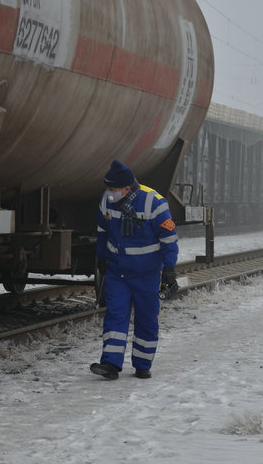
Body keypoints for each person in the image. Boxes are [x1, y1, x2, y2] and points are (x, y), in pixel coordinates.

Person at [90, 159, 179, 380]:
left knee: (146, 319)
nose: (109, 193)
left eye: (113, 189)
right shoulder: (106, 201)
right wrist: (101, 261)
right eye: (107, 189)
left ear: (127, 189)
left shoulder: (154, 203)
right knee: (115, 316)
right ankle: (110, 365)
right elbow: (102, 231)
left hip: (147, 274)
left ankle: (142, 364)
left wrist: (169, 269)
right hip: (117, 272)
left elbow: (169, 239)